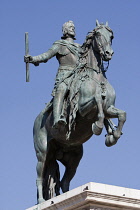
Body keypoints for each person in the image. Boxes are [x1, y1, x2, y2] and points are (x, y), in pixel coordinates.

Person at [25, 21, 82, 128]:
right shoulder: (59, 45)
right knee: (61, 89)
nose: (73, 29)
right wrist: (33, 59)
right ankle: (57, 119)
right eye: (70, 27)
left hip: (78, 75)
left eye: (73, 27)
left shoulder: (80, 47)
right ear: (65, 30)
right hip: (65, 75)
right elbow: (46, 56)